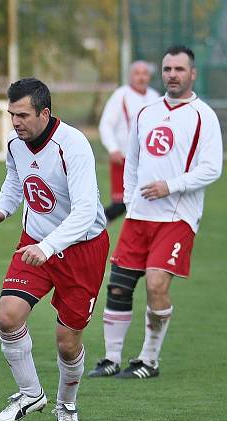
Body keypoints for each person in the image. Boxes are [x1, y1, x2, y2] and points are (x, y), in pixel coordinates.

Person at [0, 78, 108, 421]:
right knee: (9, 316)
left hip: (82, 248)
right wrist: (1, 210)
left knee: (67, 344)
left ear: (45, 112)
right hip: (35, 240)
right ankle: (30, 392)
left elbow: (85, 211)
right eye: (11, 114)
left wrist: (49, 246)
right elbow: (14, 178)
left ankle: (66, 406)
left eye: (22, 114)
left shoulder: (74, 146)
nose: (15, 122)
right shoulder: (15, 142)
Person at [91, 45, 222, 379]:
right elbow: (133, 162)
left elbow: (212, 169)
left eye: (179, 69)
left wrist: (171, 185)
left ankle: (148, 361)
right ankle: (111, 359)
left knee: (156, 284)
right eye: (168, 69)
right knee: (119, 284)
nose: (172, 75)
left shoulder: (203, 115)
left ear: (192, 73)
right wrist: (133, 200)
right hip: (139, 215)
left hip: (177, 217)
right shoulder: (146, 113)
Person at [98, 61, 160, 222]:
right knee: (121, 203)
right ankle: (93, 227)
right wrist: (113, 148)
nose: (141, 77)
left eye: (144, 73)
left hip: (148, 159)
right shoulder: (121, 95)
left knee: (147, 201)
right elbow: (106, 124)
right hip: (124, 158)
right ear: (130, 76)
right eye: (137, 73)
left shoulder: (155, 97)